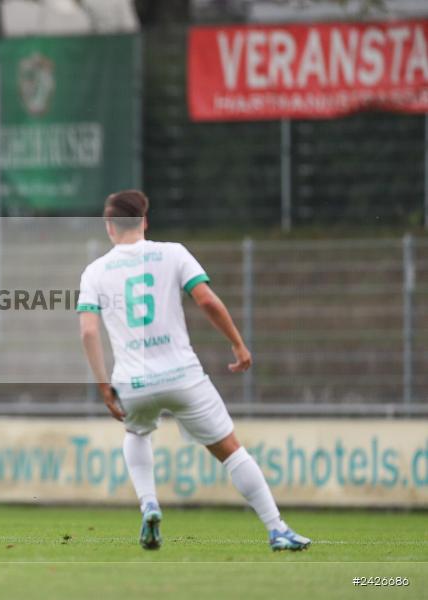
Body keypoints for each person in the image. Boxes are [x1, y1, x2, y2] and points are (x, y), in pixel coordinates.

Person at [77, 190, 310, 552]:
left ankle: (149, 503)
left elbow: (88, 331)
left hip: (133, 380)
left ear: (109, 226)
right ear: (145, 222)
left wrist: (103, 384)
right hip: (182, 375)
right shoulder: (173, 253)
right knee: (231, 451)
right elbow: (206, 299)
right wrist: (237, 343)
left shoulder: (95, 271)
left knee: (136, 433)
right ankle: (277, 528)